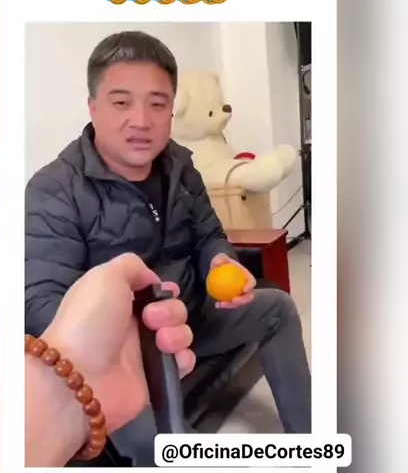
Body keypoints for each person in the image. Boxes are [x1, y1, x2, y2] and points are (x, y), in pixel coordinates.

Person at [25, 30, 311, 466]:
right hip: (121, 359)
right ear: (93, 107)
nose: (141, 120)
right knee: (175, 448)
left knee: (278, 309)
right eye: (122, 102)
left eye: (157, 104)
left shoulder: (180, 164)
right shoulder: (53, 191)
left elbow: (209, 234)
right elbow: (41, 304)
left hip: (193, 317)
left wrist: (220, 260)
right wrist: (129, 335)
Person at [25, 253, 195, 467]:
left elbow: (208, 238)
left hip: (171, 323)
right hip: (90, 361)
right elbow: (41, 299)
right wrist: (73, 363)